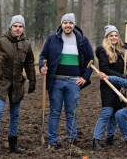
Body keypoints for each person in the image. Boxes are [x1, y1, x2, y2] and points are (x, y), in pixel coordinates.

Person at [0, 15, 36, 155]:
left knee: (15, 114)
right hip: (1, 81)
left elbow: (29, 63)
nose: (17, 29)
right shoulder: (0, 41)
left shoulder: (27, 44)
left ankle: (13, 144)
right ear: (11, 27)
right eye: (15, 26)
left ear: (23, 28)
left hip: (17, 82)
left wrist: (32, 81)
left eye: (20, 26)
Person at [39, 13, 93, 149]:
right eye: (65, 23)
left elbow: (90, 60)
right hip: (56, 81)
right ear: (61, 24)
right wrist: (42, 67)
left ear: (73, 24)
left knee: (71, 112)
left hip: (74, 82)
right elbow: (43, 56)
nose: (67, 25)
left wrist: (85, 77)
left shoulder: (82, 40)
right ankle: (52, 141)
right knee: (54, 112)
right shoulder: (52, 38)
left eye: (70, 23)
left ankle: (71, 141)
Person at [92, 25, 127, 151]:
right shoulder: (103, 50)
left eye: (115, 35)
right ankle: (96, 141)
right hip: (108, 86)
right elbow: (105, 69)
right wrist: (121, 76)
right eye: (111, 36)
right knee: (107, 113)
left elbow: (125, 66)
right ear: (107, 37)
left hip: (119, 86)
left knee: (115, 114)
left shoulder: (119, 50)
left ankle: (110, 139)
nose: (114, 38)